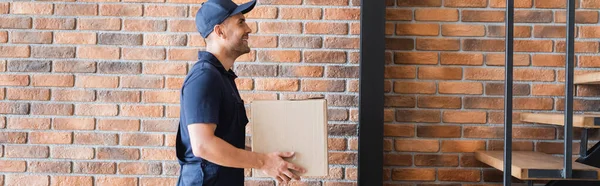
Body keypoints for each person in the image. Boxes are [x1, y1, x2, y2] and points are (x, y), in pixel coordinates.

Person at [175, 0, 307, 185]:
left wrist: (265, 157)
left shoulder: (222, 77)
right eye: (240, 22)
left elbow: (224, 141)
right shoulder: (204, 77)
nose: (249, 29)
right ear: (220, 31)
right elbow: (203, 146)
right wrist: (263, 162)